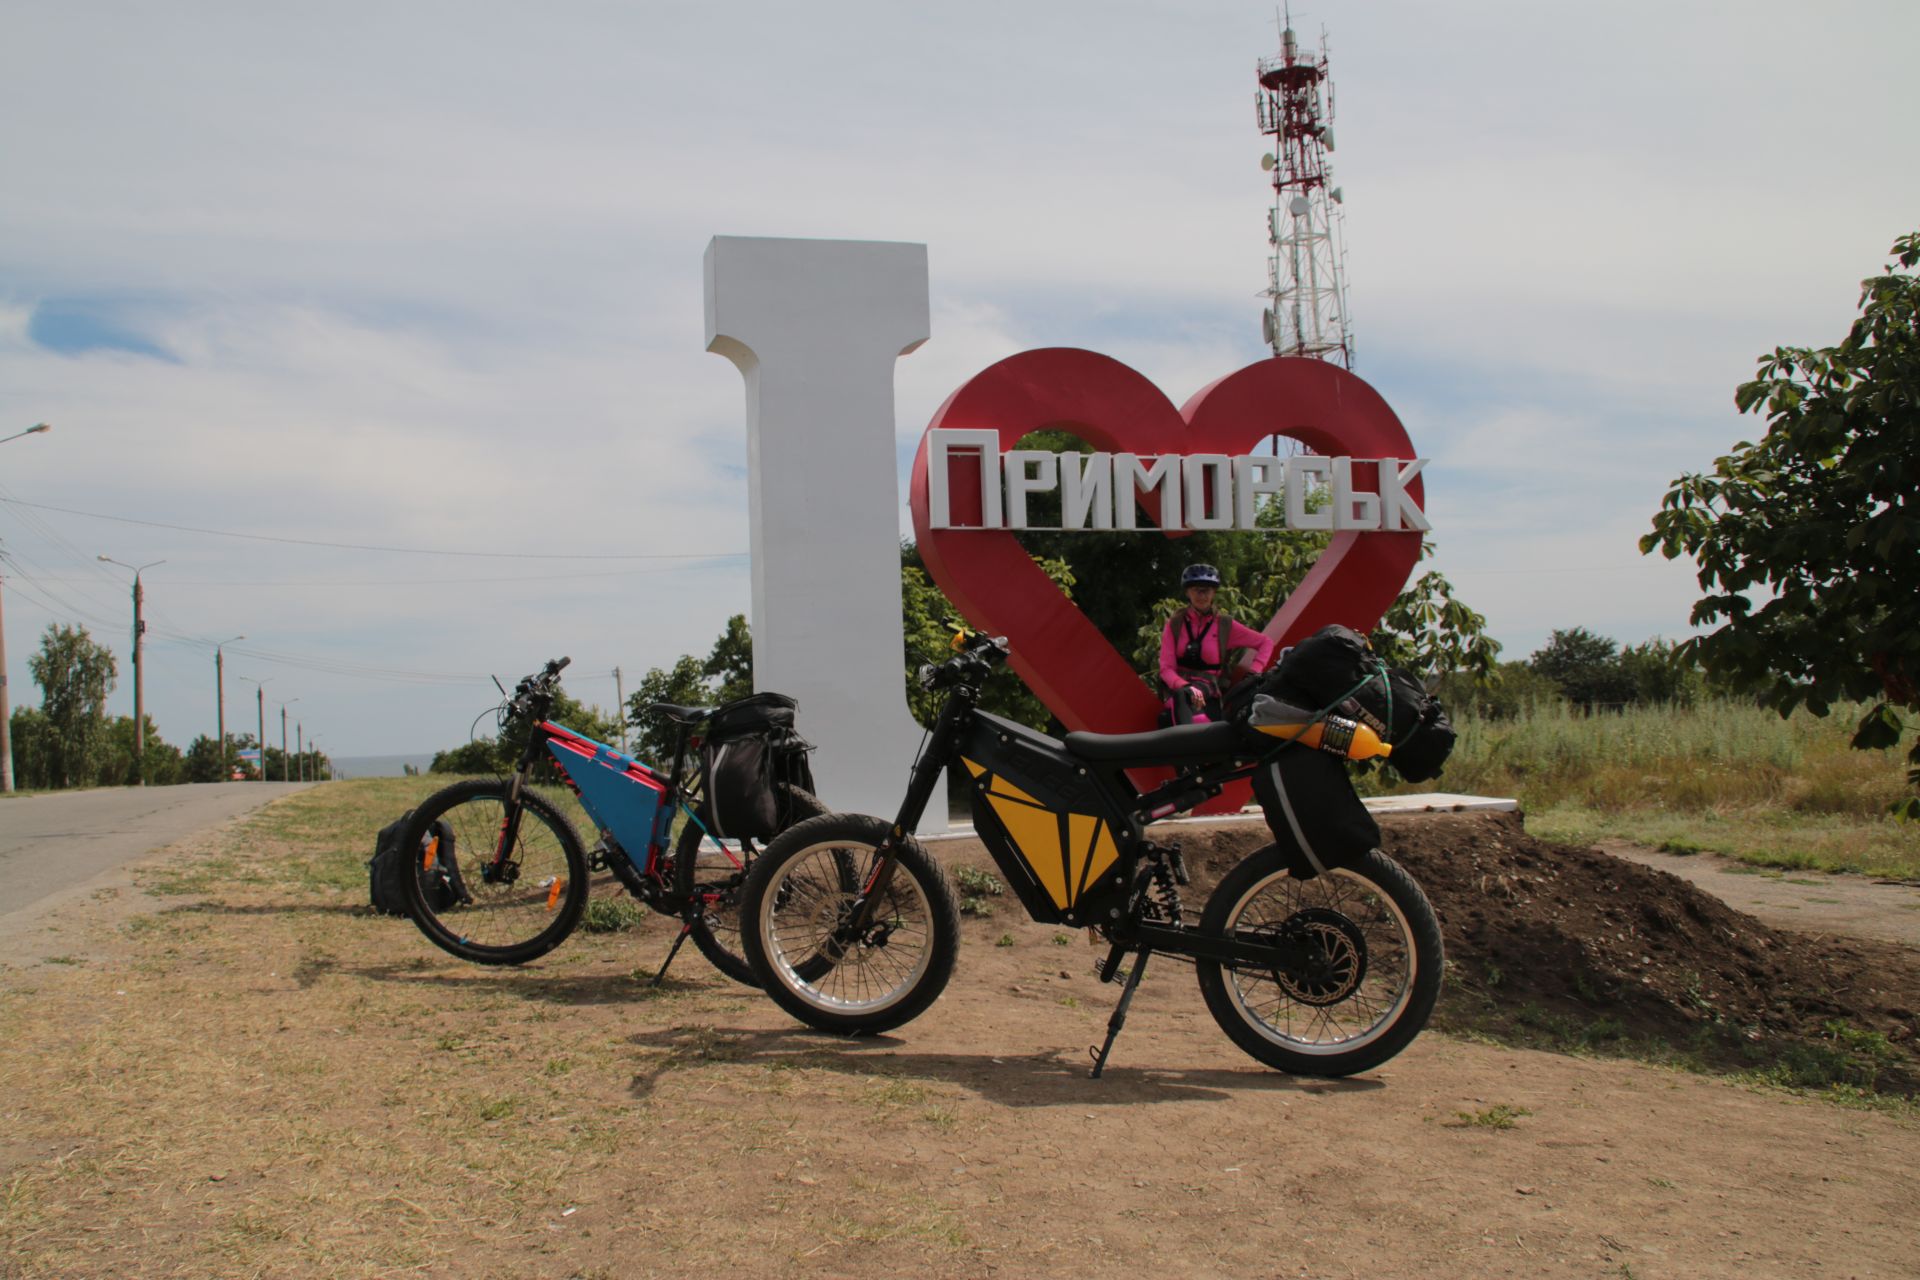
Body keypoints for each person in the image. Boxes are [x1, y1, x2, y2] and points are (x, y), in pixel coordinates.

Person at [1159, 564, 1277, 725]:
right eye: (1196, 590)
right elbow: (1166, 669)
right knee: (1174, 708)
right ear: (1187, 592)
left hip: (1209, 690)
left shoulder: (1224, 625)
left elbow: (1265, 642)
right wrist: (1185, 686)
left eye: (1206, 590)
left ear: (1214, 592)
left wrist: (1254, 672)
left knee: (1208, 723)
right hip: (1180, 690)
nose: (1202, 595)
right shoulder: (1175, 624)